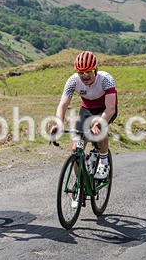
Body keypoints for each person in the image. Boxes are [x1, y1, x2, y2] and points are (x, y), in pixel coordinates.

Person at [50, 51, 118, 183]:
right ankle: (80, 185)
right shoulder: (73, 81)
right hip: (87, 109)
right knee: (76, 148)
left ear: (95, 69)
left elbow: (110, 109)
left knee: (99, 129)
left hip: (105, 109)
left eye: (88, 72)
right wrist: (59, 123)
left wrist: (99, 123)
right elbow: (62, 105)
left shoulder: (106, 79)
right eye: (81, 73)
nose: (85, 76)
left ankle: (104, 162)